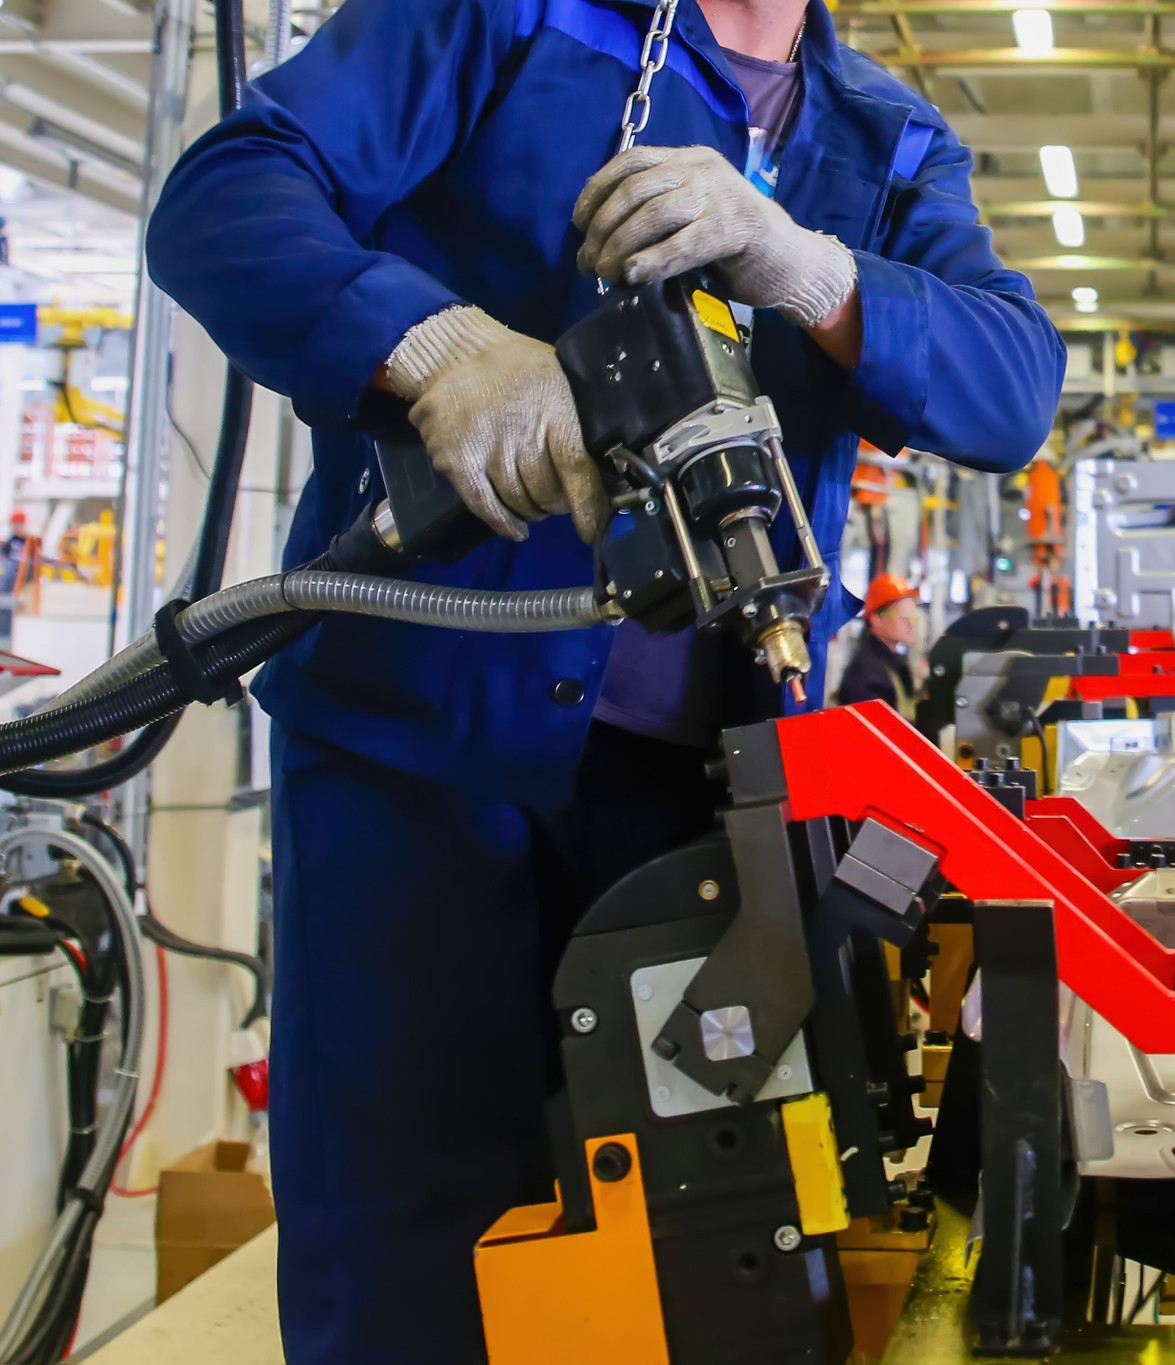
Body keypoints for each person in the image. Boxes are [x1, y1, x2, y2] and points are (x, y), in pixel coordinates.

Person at [143, 0, 1065, 1357]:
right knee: (417, 1236)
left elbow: (1011, 385)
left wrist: (808, 270)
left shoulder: (882, 137)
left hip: (706, 799)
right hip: (425, 761)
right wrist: (440, 351)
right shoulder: (497, 20)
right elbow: (224, 197)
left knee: (715, 1242)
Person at [836, 572, 921, 720]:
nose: (911, 624)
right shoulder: (868, 673)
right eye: (903, 616)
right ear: (877, 620)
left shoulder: (891, 662)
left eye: (912, 616)